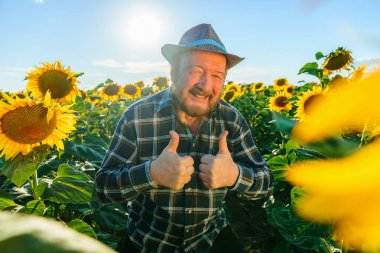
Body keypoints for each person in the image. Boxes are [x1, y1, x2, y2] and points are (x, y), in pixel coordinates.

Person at [95, 23, 274, 253]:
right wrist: (152, 173)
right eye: (195, 71)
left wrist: (234, 175)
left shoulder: (232, 120)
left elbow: (266, 183)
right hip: (150, 241)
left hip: (210, 238)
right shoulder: (138, 117)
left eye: (217, 75)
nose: (206, 85)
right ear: (173, 72)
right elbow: (102, 189)